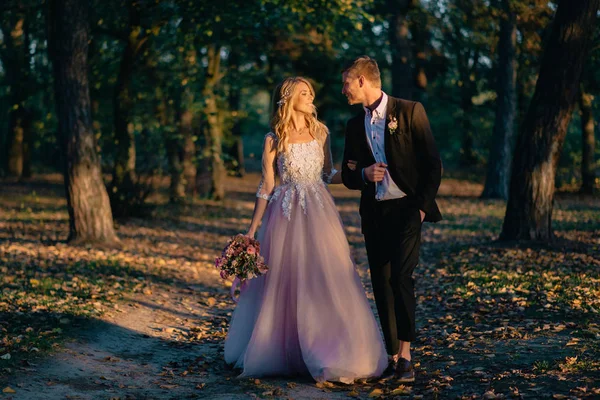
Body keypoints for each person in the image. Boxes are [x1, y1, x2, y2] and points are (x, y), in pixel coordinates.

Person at [224, 77, 387, 383]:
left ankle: (330, 351)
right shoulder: (274, 139)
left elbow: (327, 173)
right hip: (284, 216)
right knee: (286, 282)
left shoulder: (320, 131)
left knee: (325, 276)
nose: (311, 97)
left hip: (319, 214)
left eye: (312, 92)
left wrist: (361, 174)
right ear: (288, 98)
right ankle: (285, 350)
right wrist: (251, 231)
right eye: (304, 93)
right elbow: (267, 186)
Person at [341, 56, 442, 383]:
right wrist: (364, 175)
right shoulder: (353, 125)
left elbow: (432, 165)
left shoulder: (411, 111)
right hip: (374, 214)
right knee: (382, 284)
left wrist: (422, 208)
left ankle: (407, 356)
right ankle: (393, 356)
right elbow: (347, 173)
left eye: (346, 83)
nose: (343, 90)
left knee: (401, 277)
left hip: (408, 209)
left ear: (361, 81)